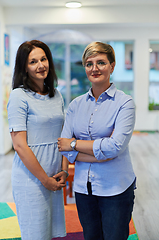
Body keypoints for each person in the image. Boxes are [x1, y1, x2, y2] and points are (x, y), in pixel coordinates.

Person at [57, 41, 136, 240]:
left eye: (101, 62)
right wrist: (100, 154)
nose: (94, 68)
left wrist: (75, 144)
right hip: (84, 189)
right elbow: (64, 148)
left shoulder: (124, 103)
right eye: (89, 63)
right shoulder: (76, 105)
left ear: (112, 65)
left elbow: (114, 147)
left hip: (116, 188)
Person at [7, 40, 68, 240]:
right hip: (32, 179)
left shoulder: (57, 95)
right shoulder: (19, 96)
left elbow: (63, 136)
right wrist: (45, 180)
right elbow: (19, 145)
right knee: (35, 234)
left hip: (54, 175)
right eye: (33, 62)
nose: (40, 65)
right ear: (24, 66)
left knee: (50, 233)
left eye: (43, 59)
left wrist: (64, 170)